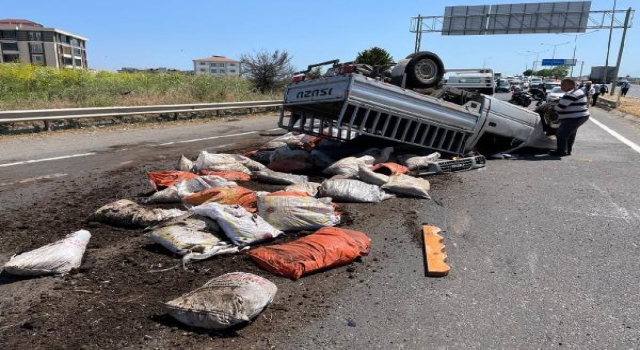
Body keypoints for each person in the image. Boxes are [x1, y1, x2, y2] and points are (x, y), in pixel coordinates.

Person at [550, 78, 590, 157]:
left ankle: (561, 151)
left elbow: (560, 107)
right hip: (579, 116)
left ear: (571, 85)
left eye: (563, 85)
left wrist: (552, 108)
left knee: (561, 134)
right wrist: (559, 100)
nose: (561, 86)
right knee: (570, 134)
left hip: (574, 117)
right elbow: (565, 101)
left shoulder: (571, 94)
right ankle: (568, 150)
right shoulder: (576, 92)